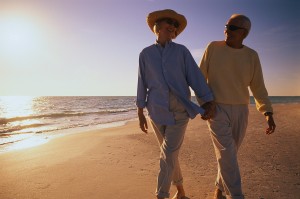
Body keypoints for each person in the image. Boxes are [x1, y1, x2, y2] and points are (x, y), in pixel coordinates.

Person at [136, 9, 215, 199]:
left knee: (167, 155)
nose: (172, 26)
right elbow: (142, 83)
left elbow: (195, 78)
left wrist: (208, 102)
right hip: (156, 112)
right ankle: (181, 192)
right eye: (168, 22)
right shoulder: (145, 54)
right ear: (156, 27)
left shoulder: (182, 52)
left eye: (175, 24)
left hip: (180, 112)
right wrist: (140, 112)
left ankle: (161, 195)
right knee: (169, 155)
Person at [198, 14, 276, 199]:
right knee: (227, 154)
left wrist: (268, 112)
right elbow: (200, 78)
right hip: (216, 109)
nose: (227, 30)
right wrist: (205, 104)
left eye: (232, 28)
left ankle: (219, 189)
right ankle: (237, 195)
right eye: (226, 26)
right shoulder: (213, 48)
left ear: (244, 33)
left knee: (229, 155)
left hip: (241, 110)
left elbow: (258, 86)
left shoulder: (251, 56)